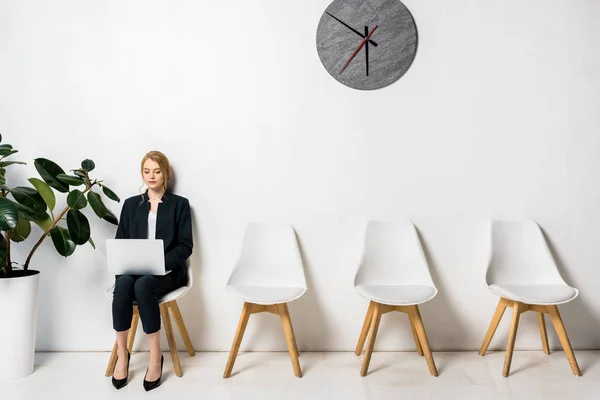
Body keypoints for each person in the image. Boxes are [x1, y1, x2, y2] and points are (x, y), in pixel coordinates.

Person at [111, 151, 192, 391]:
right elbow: (121, 242)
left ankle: (155, 357)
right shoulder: (130, 205)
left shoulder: (179, 204)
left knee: (144, 285)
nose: (151, 176)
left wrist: (160, 262)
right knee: (125, 284)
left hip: (167, 273)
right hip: (133, 270)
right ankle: (122, 355)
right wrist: (125, 266)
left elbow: (185, 246)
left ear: (165, 173)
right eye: (147, 171)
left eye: (157, 171)